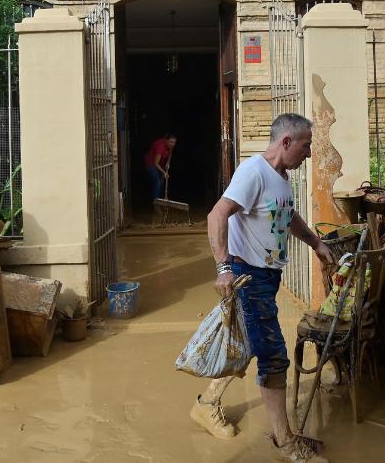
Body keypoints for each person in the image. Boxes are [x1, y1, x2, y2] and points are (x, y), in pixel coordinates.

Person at [190, 113, 336, 463]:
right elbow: (217, 215)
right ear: (286, 142)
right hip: (247, 275)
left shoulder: (280, 178)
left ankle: (207, 404)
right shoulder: (253, 172)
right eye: (305, 146)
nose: (309, 154)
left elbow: (288, 217)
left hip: (266, 278)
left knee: (249, 342)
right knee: (273, 357)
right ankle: (285, 441)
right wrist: (223, 268)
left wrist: (316, 243)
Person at [144, 133, 176, 201]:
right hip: (151, 165)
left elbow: (170, 153)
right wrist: (164, 172)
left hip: (159, 166)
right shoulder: (161, 147)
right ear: (166, 141)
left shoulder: (170, 146)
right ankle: (156, 204)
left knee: (161, 184)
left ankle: (161, 201)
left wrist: (168, 163)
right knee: (157, 182)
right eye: (171, 142)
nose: (172, 144)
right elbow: (156, 163)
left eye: (174, 142)